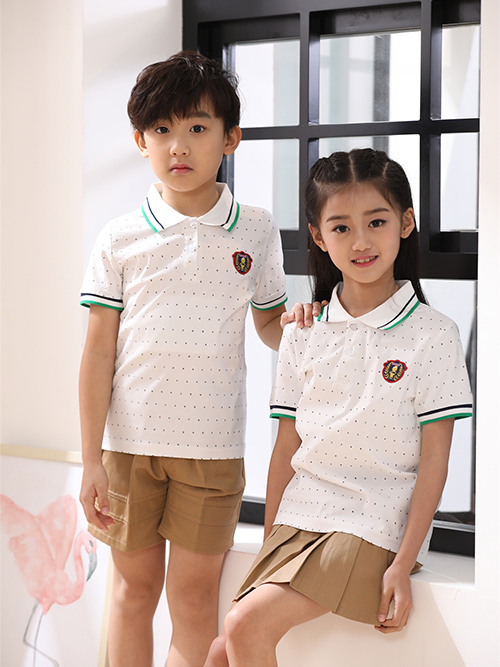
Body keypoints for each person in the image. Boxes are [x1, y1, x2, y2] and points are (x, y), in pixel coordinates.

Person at [204, 148, 473, 667]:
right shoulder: (302, 332)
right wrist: (269, 544)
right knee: (220, 651)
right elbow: (286, 448)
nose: (361, 241)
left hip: (375, 522)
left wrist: (404, 563)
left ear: (406, 223)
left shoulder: (434, 335)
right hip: (301, 516)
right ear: (319, 237)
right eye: (342, 228)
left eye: (377, 222)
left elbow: (435, 460)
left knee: (242, 626)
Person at [78, 50, 290, 667]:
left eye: (198, 127)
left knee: (194, 603)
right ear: (140, 141)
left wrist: (310, 329)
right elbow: (97, 352)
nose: (179, 145)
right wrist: (90, 460)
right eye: (162, 129)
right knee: (131, 594)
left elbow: (270, 324)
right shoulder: (119, 236)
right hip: (127, 451)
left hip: (213, 450)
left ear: (230, 138)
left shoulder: (256, 229)